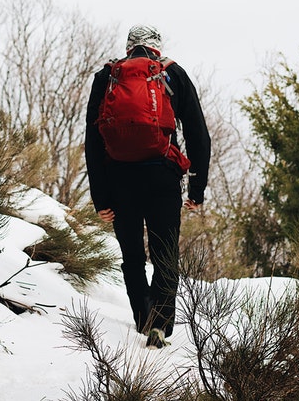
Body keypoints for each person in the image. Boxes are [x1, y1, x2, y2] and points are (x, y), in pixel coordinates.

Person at [84, 25, 211, 348]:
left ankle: (143, 318)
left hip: (119, 178)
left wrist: (101, 198)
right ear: (157, 47)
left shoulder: (107, 76)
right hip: (162, 176)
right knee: (165, 253)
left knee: (132, 255)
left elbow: (93, 142)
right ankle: (161, 326)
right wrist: (197, 190)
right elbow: (198, 136)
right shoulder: (172, 74)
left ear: (129, 48)